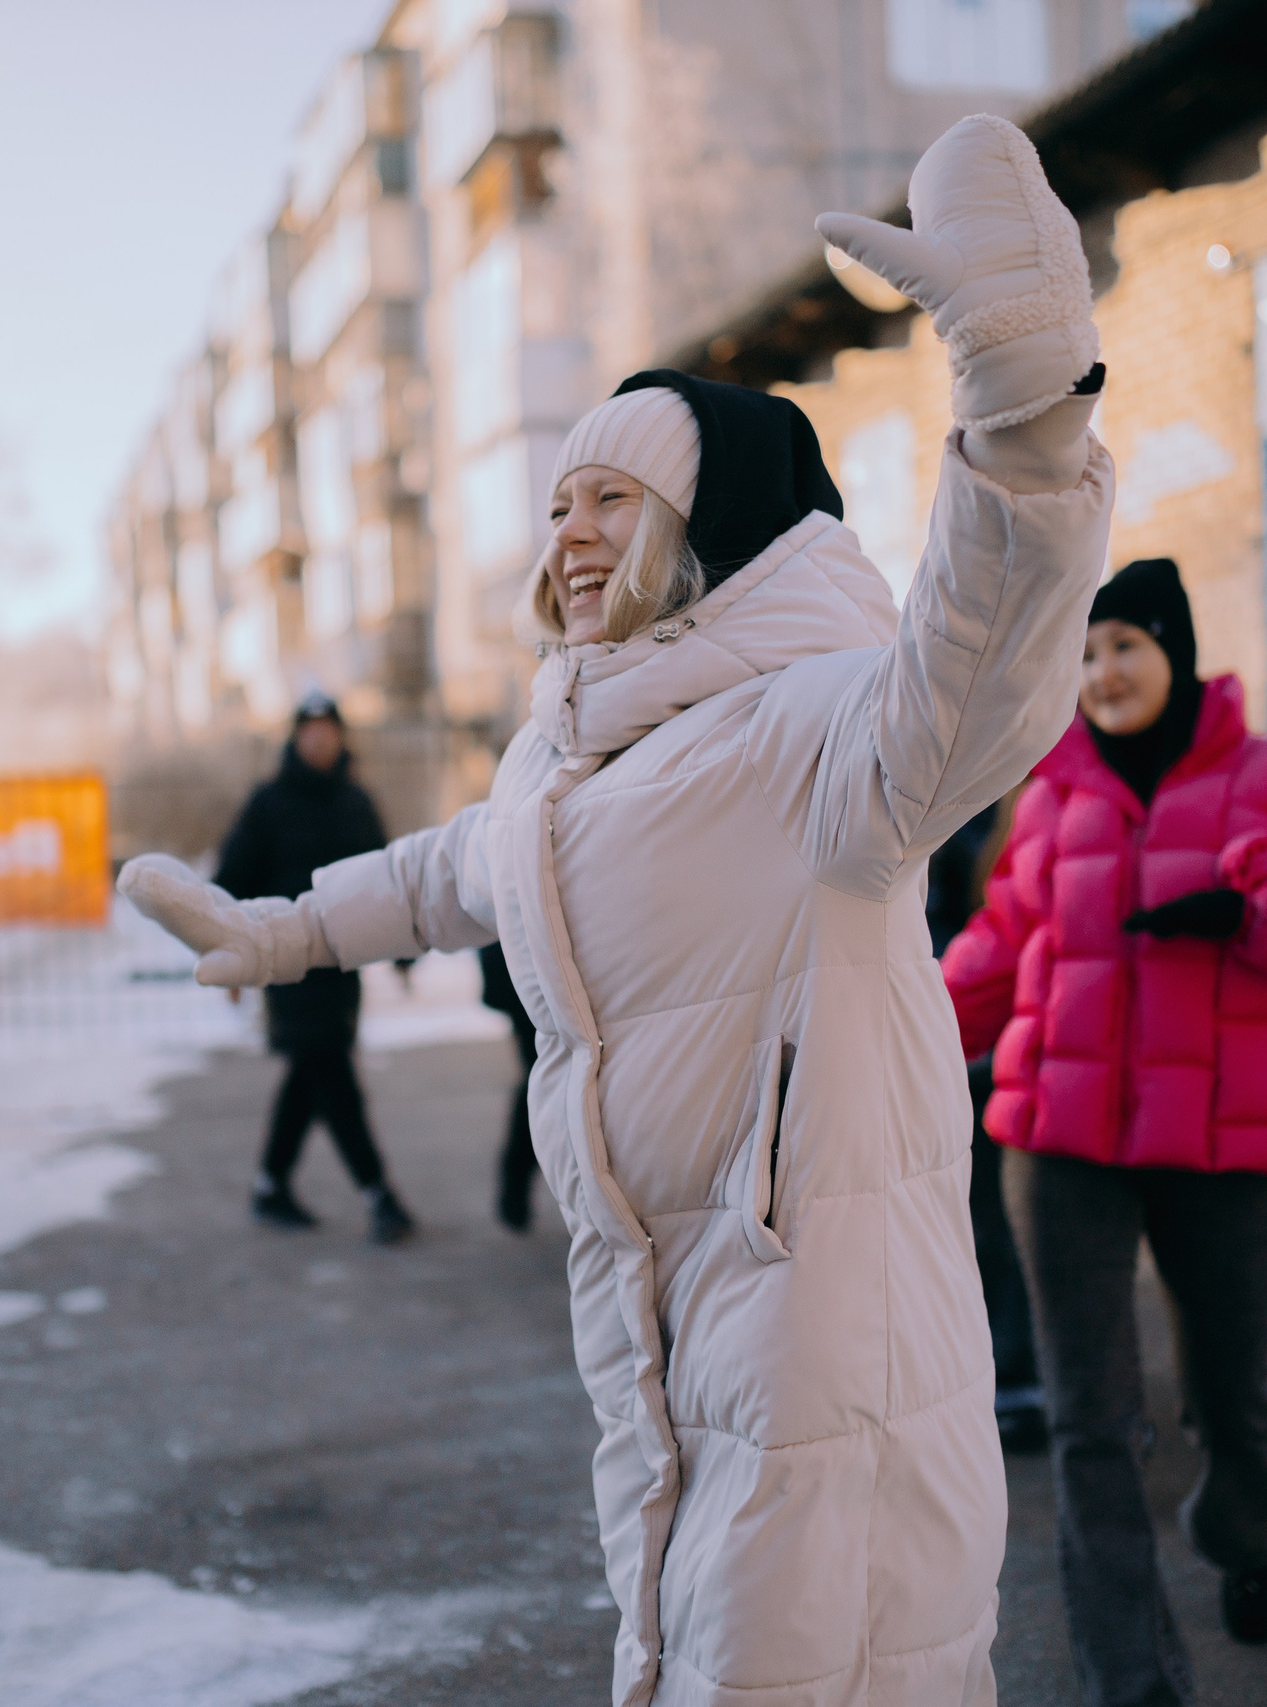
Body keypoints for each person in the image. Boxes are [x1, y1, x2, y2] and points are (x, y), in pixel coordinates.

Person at [125, 114, 1112, 1705]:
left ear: (700, 529)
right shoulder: (569, 757)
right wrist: (289, 929)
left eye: (612, 499)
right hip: (657, 1326)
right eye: (561, 502)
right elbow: (461, 865)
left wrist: (1026, 416)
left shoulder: (818, 725)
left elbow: (985, 659)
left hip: (821, 1333)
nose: (569, 533)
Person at [942, 557, 1267, 1704]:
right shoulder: (1050, 792)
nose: (1101, 672)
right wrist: (881, 1030)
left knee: (1230, 1394)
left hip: (1228, 1146)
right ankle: (1132, 1678)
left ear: (1173, 648)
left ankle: (1250, 1527)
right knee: (1089, 1421)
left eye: (1123, 644)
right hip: (1059, 1143)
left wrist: (1263, 898)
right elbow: (1000, 948)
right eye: (1082, 653)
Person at [212, 692, 415, 1246]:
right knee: (331, 1073)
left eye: (329, 728)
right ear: (295, 736)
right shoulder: (269, 803)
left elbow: (386, 881)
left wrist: (404, 951)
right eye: (310, 728)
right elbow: (231, 879)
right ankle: (379, 1194)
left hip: (343, 964)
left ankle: (269, 1186)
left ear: (341, 736)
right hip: (287, 965)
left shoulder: (355, 801)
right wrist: (229, 958)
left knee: (310, 1075)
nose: (319, 737)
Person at [928, 804, 1047, 1455]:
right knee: (991, 1223)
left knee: (1011, 1224)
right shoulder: (962, 809)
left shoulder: (1030, 797)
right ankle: (1012, 1375)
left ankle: (1021, 1375)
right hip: (973, 1038)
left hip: (1013, 1041)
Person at [479, 941, 539, 1232]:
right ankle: (515, 1182)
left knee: (543, 1078)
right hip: (524, 969)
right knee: (542, 1079)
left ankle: (515, 1184)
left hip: (527, 968)